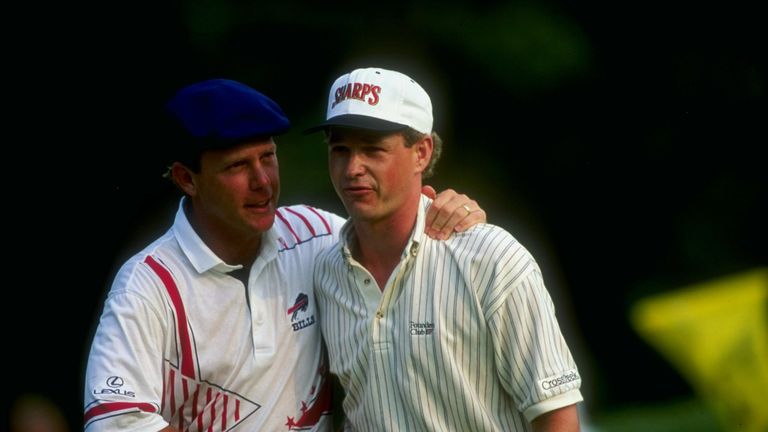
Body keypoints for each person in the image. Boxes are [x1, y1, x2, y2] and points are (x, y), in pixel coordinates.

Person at [83, 78, 486, 431]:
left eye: (268, 157)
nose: (262, 182)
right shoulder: (146, 286)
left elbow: (393, 231)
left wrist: (449, 211)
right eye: (237, 166)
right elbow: (116, 422)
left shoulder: (315, 234)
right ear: (188, 179)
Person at [310, 67, 583, 431]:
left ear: (421, 152)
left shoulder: (491, 258)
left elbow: (557, 416)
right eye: (339, 149)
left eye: (373, 150)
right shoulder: (323, 271)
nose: (352, 168)